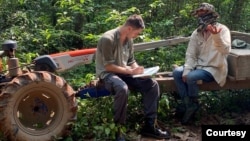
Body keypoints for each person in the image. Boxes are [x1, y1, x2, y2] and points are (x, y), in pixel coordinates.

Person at [95, 14, 170, 140]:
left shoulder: (129, 40)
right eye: (136, 33)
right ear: (129, 28)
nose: (137, 36)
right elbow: (108, 67)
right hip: (108, 74)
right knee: (122, 88)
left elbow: (131, 61)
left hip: (125, 72)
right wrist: (131, 71)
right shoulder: (108, 39)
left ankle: (149, 126)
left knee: (152, 84)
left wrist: (139, 71)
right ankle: (119, 130)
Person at [172, 3, 231, 125]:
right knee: (177, 72)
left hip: (214, 68)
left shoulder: (223, 29)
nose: (200, 17)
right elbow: (191, 54)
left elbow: (225, 51)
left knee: (191, 77)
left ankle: (193, 103)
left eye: (204, 13)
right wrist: (187, 69)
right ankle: (188, 104)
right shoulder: (197, 32)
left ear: (211, 15)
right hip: (199, 65)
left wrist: (216, 36)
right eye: (199, 14)